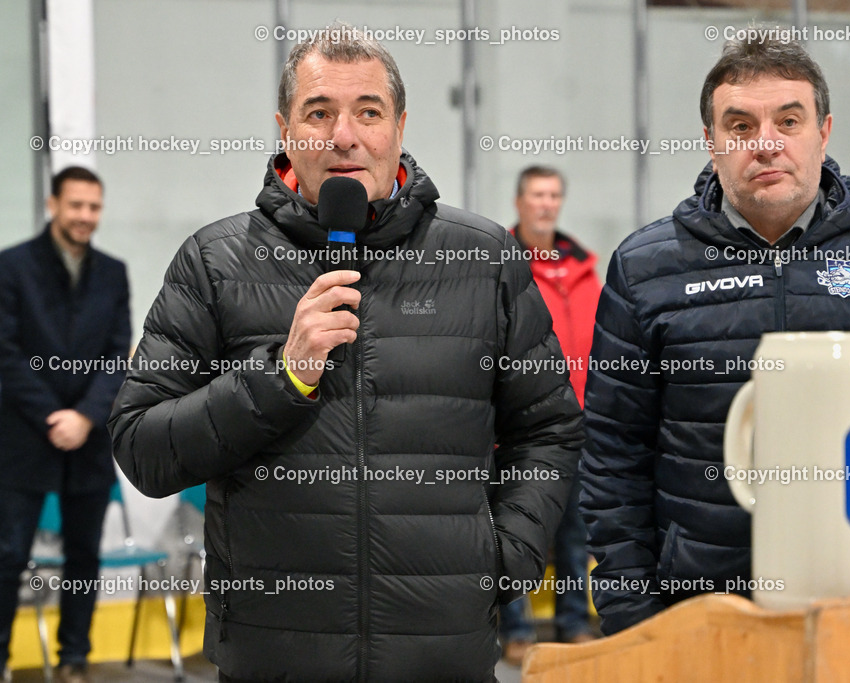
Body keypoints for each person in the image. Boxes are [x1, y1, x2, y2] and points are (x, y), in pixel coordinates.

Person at [108, 23, 582, 682]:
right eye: (318, 113)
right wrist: (279, 378)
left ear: (400, 126)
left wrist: (503, 560)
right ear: (285, 130)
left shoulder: (483, 258)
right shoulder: (215, 264)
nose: (344, 136)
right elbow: (142, 446)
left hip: (441, 652)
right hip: (275, 655)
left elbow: (549, 428)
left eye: (369, 112)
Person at [579, 34, 850, 636]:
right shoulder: (646, 268)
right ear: (711, 142)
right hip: (702, 621)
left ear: (823, 132)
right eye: (740, 125)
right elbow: (613, 462)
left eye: (789, 121)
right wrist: (637, 625)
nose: (766, 143)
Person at [0, 167, 131, 683]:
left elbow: (118, 354)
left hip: (89, 439)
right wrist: (53, 416)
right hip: (23, 437)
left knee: (83, 557)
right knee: (8, 556)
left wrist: (85, 416)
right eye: (76, 205)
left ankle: (74, 660)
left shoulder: (113, 272)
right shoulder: (11, 267)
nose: (85, 216)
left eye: (94, 207)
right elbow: (5, 355)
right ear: (53, 205)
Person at [499, 167, 601, 664]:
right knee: (519, 530)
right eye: (538, 195)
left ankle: (574, 624)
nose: (546, 204)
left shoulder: (583, 269)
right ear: (519, 202)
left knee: (576, 535)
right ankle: (517, 632)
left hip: (577, 424)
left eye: (554, 195)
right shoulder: (501, 262)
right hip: (520, 427)